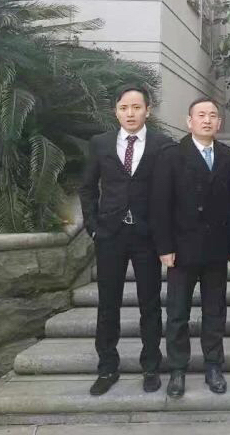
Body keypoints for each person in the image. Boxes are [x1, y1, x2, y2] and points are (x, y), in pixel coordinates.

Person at [78, 85, 172, 396]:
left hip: (147, 236)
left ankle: (151, 366)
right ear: (115, 111)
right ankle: (107, 367)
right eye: (124, 108)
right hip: (110, 235)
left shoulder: (161, 144)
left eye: (136, 107)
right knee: (108, 304)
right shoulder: (100, 143)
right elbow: (87, 187)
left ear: (148, 110)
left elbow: (168, 191)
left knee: (150, 304)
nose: (130, 113)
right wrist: (93, 227)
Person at [150, 97, 230, 398]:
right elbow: (160, 205)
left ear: (219, 123)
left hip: (215, 249)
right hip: (181, 249)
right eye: (201, 115)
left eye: (212, 115)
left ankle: (213, 366)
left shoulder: (227, 155)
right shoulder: (171, 155)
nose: (207, 120)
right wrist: (164, 246)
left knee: (215, 311)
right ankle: (177, 369)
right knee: (177, 313)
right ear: (189, 121)